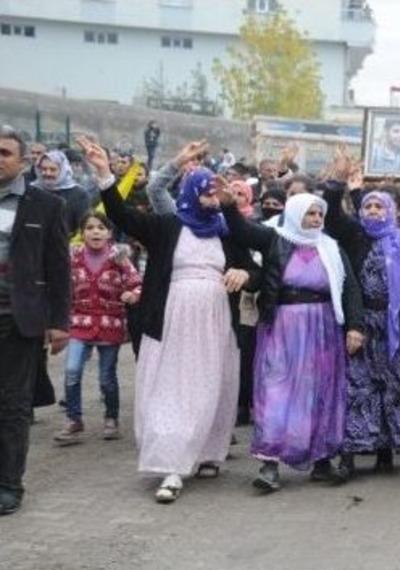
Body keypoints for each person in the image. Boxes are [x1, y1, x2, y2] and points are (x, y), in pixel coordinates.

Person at [80, 136, 260, 504]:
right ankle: (172, 465)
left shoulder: (226, 233)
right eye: (205, 191)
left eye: (215, 192)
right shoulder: (168, 226)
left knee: (210, 384)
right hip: (173, 318)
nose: (211, 197)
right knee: (174, 387)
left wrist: (243, 276)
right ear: (191, 191)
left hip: (214, 323)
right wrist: (103, 174)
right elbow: (123, 216)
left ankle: (208, 452)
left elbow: (254, 269)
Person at [219, 187, 364, 491]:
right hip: (282, 326)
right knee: (277, 391)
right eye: (310, 213)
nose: (315, 219)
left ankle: (322, 461)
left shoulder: (331, 248)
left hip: (323, 328)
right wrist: (230, 207)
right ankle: (269, 465)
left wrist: (355, 326)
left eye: (319, 214)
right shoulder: (276, 239)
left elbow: (349, 288)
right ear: (296, 214)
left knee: (320, 391)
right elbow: (244, 233)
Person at [324, 183, 400, 475]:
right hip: (362, 323)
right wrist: (338, 187)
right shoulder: (357, 237)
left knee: (391, 388)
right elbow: (333, 218)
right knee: (358, 387)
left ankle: (385, 451)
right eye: (368, 206)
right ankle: (349, 454)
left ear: (392, 210)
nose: (373, 211)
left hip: (393, 325)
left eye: (379, 206)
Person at [0, 127, 70, 516]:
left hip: (17, 320)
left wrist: (60, 321)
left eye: (5, 152)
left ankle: (9, 484)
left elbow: (59, 268)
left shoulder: (44, 205)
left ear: (22, 160)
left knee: (12, 406)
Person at [54, 212, 141, 445]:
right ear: (82, 233)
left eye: (101, 228)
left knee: (107, 378)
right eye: (90, 228)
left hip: (109, 325)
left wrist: (132, 295)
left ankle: (111, 418)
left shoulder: (120, 258)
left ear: (109, 233)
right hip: (79, 323)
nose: (95, 232)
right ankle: (74, 420)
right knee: (72, 370)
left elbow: (137, 283)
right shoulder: (72, 258)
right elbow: (60, 286)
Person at [32, 149, 92, 237]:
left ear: (63, 170)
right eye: (44, 169)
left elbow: (83, 227)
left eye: (53, 170)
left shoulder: (79, 194)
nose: (47, 173)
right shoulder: (32, 191)